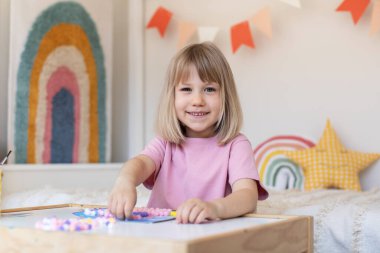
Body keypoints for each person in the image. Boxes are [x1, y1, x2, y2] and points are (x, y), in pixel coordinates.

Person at [108, 42, 268, 224]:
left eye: (209, 89)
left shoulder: (236, 145)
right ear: (172, 97)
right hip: (161, 233)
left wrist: (214, 208)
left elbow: (247, 195)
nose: (197, 100)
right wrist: (125, 181)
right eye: (186, 89)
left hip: (211, 233)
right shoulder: (165, 143)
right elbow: (140, 163)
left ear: (225, 97)